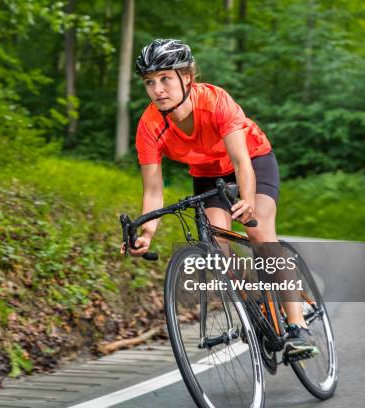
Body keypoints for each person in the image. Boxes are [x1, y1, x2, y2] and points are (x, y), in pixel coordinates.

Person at [127, 38, 318, 358]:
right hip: (207, 175)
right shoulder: (149, 125)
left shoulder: (215, 101)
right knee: (217, 246)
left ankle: (298, 327)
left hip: (253, 160)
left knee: (259, 234)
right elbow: (153, 190)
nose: (157, 89)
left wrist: (246, 198)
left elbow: (242, 161)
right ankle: (254, 306)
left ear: (187, 77)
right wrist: (147, 232)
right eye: (149, 82)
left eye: (165, 79)